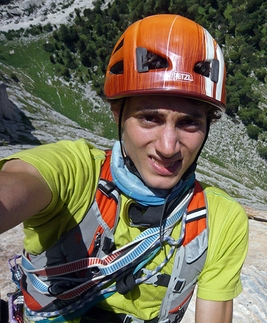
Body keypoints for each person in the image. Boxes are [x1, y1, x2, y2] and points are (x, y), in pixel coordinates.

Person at [0, 14, 248, 323]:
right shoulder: (76, 173)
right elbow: (18, 184)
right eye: (149, 118)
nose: (168, 146)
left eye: (189, 123)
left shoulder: (221, 219)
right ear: (118, 114)